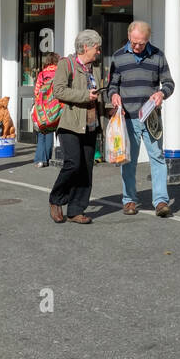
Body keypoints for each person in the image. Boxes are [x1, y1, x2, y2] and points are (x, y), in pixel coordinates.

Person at [107, 20, 175, 217]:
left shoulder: (158, 55)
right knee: (128, 161)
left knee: (158, 157)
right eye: (134, 42)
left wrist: (162, 94)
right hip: (128, 117)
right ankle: (129, 201)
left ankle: (161, 201)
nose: (137, 46)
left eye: (142, 43)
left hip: (151, 117)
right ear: (129, 36)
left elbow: (169, 83)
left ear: (148, 40)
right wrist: (113, 95)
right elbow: (112, 85)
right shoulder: (118, 57)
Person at [48, 30, 102, 224]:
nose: (99, 52)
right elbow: (58, 91)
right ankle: (56, 199)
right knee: (73, 163)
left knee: (87, 168)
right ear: (86, 47)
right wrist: (85, 96)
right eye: (97, 48)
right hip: (70, 123)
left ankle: (75, 210)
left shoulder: (95, 68)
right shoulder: (66, 64)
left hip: (91, 123)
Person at [33, 54, 60, 167]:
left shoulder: (42, 74)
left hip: (42, 107)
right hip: (54, 106)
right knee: (50, 131)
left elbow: (37, 91)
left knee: (41, 132)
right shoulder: (59, 73)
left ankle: (40, 159)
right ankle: (47, 158)